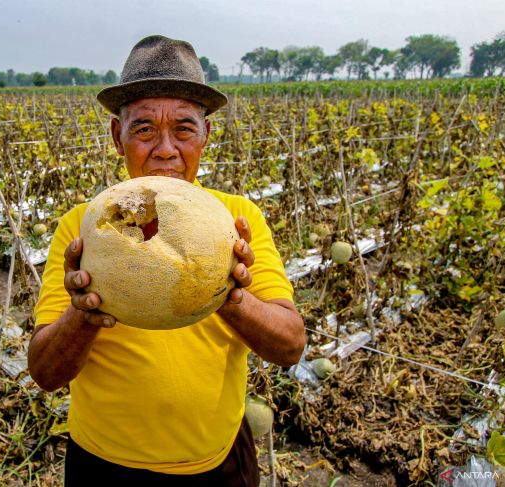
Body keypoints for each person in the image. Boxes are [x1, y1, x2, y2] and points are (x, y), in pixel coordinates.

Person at [28, 35, 305, 487]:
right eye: (143, 129)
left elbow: (290, 346)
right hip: (104, 464)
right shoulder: (84, 227)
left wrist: (232, 296)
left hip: (220, 462)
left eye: (183, 128)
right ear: (117, 137)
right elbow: (44, 373)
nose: (165, 149)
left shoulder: (236, 221)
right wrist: (82, 316)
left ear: (206, 135)